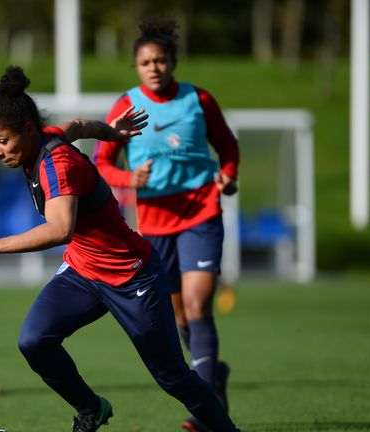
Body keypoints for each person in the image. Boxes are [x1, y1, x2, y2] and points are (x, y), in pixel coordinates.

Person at [0, 66, 239, 432]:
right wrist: (112, 133)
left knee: (173, 376)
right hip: (84, 271)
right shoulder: (43, 140)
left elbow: (60, 229)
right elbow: (79, 126)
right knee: (34, 341)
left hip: (131, 276)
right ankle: (90, 408)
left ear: (28, 130)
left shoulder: (58, 165)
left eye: (2, 140)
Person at [92, 20, 240, 431]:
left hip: (201, 212)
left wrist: (228, 175)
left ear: (173, 62)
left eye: (160, 60)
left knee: (197, 306)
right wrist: (128, 180)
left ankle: (204, 409)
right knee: (177, 316)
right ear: (136, 67)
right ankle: (215, 378)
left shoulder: (199, 99)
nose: (154, 67)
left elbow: (227, 146)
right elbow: (103, 164)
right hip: (154, 222)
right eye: (145, 62)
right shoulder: (125, 106)